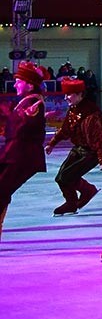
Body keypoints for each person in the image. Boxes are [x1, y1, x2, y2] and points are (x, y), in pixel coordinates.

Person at [0, 61, 49, 240]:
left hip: (21, 156)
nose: (15, 84)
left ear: (29, 84)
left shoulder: (34, 102)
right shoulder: (26, 101)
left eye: (18, 81)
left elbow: (25, 126)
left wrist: (27, 117)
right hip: (13, 153)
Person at [45, 78, 102, 216]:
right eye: (65, 94)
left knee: (67, 177)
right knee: (60, 177)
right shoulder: (73, 109)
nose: (66, 98)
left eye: (69, 94)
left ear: (80, 94)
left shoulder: (91, 113)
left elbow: (100, 137)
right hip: (79, 149)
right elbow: (65, 130)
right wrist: (52, 144)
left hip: (92, 152)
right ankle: (87, 191)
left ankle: (72, 203)